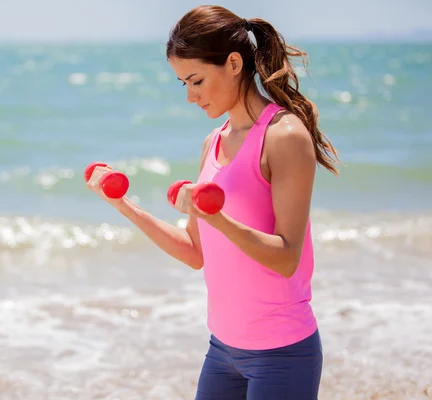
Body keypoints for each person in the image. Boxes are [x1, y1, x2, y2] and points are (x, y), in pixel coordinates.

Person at [86, 5, 340, 400]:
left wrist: (215, 218)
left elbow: (287, 256)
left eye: (197, 80)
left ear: (234, 63)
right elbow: (195, 252)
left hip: (282, 354)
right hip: (222, 352)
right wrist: (123, 205)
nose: (190, 96)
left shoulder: (283, 136)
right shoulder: (213, 142)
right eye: (183, 84)